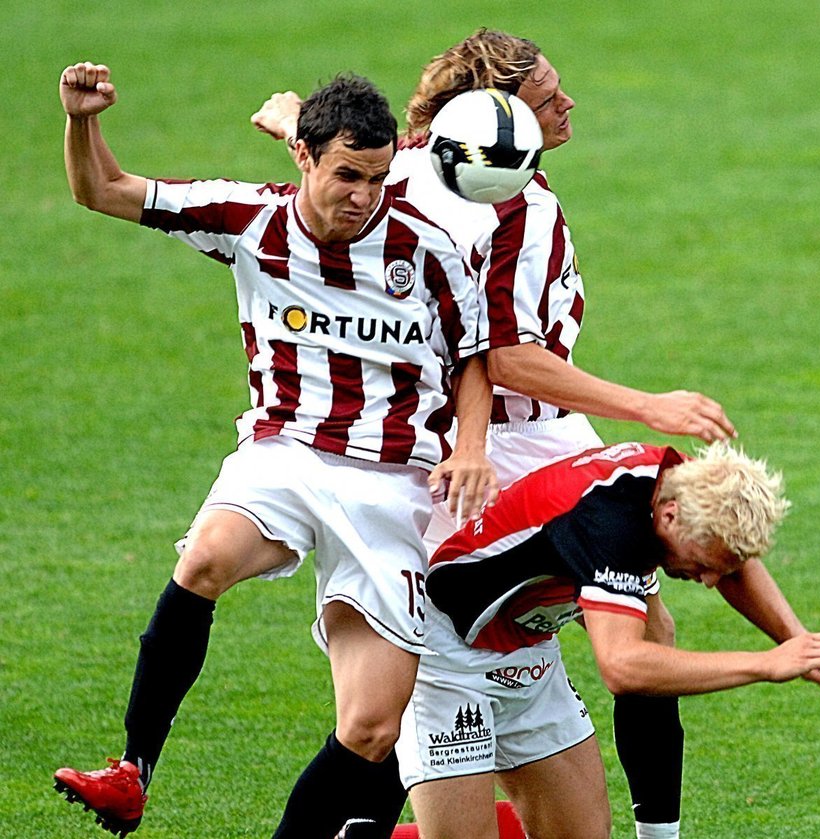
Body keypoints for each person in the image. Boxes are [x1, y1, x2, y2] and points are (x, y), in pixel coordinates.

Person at [250, 29, 738, 839]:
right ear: (497, 118)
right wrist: (650, 405)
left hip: (473, 443)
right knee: (618, 639)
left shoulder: (415, 165)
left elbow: (362, 173)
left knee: (458, 669)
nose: (567, 103)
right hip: (512, 447)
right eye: (549, 98)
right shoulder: (519, 201)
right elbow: (511, 357)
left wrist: (295, 120)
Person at [52, 61, 498, 839]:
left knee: (369, 728)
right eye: (348, 175)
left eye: (378, 178)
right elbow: (104, 190)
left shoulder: (426, 249)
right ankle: (132, 772)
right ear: (304, 157)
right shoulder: (246, 219)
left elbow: (476, 360)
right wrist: (82, 121)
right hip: (284, 453)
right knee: (204, 561)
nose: (363, 196)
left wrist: (473, 445)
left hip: (394, 488)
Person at [394, 440, 820, 839]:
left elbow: (730, 561)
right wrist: (767, 664)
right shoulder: (612, 526)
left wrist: (798, 641)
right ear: (668, 518)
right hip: (444, 654)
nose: (708, 581)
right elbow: (623, 668)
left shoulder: (688, 488)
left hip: (528, 648)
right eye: (704, 564)